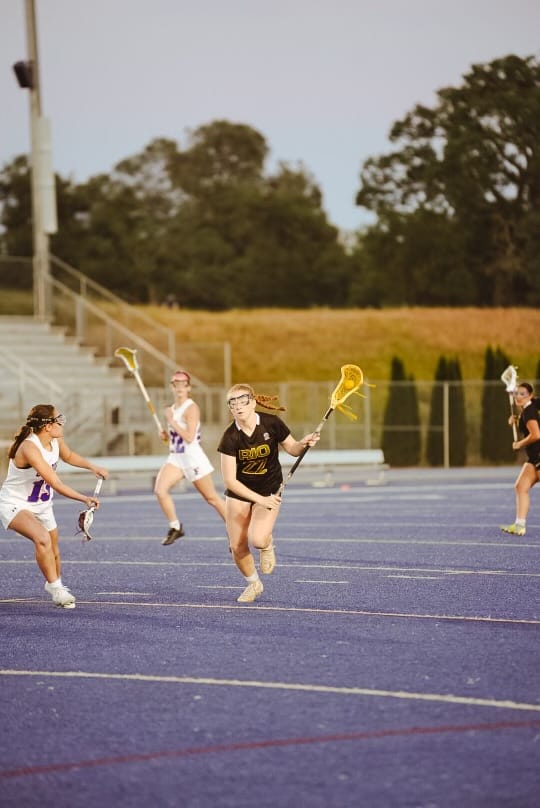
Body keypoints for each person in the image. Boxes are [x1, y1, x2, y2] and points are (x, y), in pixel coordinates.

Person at [217, 383, 320, 603]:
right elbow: (229, 481)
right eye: (232, 402)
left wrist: (304, 443)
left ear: (253, 402)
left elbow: (293, 450)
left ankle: (267, 543)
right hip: (240, 492)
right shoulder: (229, 437)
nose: (237, 405)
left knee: (258, 540)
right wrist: (258, 500)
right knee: (236, 546)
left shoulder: (271, 423)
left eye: (242, 400)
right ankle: (254, 584)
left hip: (269, 488)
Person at [0, 404, 108, 609]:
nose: (62, 421)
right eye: (58, 418)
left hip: (42, 504)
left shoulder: (55, 439)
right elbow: (56, 484)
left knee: (54, 548)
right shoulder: (30, 447)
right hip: (14, 503)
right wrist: (84, 499)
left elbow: (68, 456)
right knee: (42, 538)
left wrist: (92, 467)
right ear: (48, 426)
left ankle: (56, 586)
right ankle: (56, 588)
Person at [154, 369, 226, 545]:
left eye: (183, 383)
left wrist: (171, 422)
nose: (179, 387)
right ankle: (176, 527)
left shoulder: (191, 408)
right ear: (172, 387)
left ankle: (236, 529)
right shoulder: (172, 409)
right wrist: (166, 436)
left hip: (193, 458)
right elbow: (177, 437)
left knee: (212, 499)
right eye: (175, 383)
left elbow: (189, 437)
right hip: (176, 458)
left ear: (188, 387)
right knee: (160, 491)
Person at [501, 381, 540, 536]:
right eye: (517, 393)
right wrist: (516, 419)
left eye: (523, 394)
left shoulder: (529, 411)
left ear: (529, 395)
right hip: (534, 458)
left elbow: (536, 434)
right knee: (520, 487)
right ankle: (519, 525)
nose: (518, 396)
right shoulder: (530, 408)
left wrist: (519, 444)